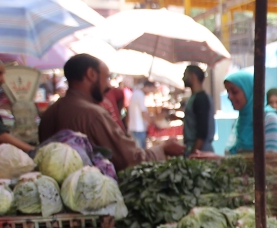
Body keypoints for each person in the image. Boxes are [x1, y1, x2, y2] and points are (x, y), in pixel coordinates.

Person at [38, 55, 183, 170]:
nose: (108, 85)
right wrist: (163, 148)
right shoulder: (94, 115)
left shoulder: (50, 113)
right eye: (106, 77)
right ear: (91, 74)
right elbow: (130, 159)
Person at [224, 70, 277, 154]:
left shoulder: (270, 120)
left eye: (234, 92)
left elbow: (271, 158)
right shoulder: (239, 122)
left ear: (249, 91)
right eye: (228, 92)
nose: (229, 97)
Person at [183, 66, 215, 155]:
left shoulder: (200, 99)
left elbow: (202, 131)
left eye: (185, 75)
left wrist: (193, 154)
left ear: (193, 76)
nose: (183, 78)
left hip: (201, 151)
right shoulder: (195, 98)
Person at [127, 80, 152, 149]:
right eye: (150, 90)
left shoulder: (136, 93)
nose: (150, 92)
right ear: (147, 87)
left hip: (135, 128)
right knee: (141, 151)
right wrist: (153, 123)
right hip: (138, 128)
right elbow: (143, 113)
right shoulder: (140, 95)